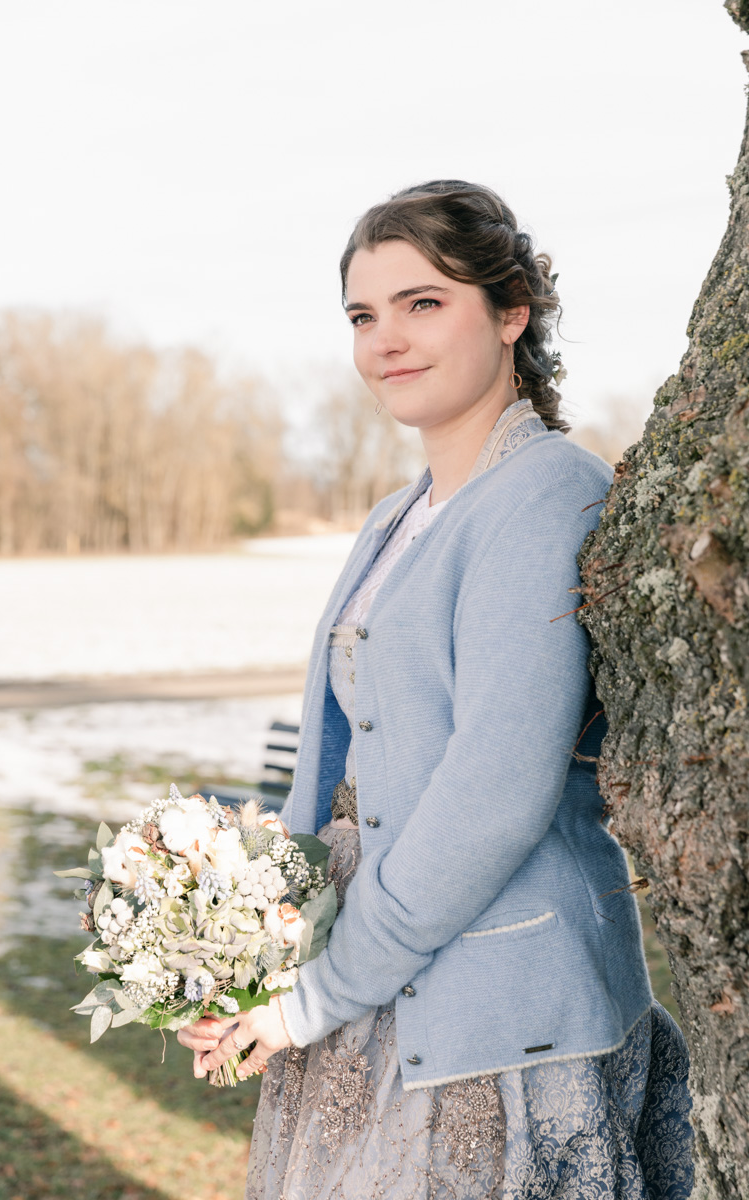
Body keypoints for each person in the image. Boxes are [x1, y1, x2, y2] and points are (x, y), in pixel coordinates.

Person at [178, 180, 695, 1199]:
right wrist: (255, 955)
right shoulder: (394, 516)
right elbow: (335, 763)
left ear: (511, 313)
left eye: (423, 303)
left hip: (496, 1014)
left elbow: (493, 793)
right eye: (362, 316)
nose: (386, 341)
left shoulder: (548, 493)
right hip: (359, 986)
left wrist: (312, 995)